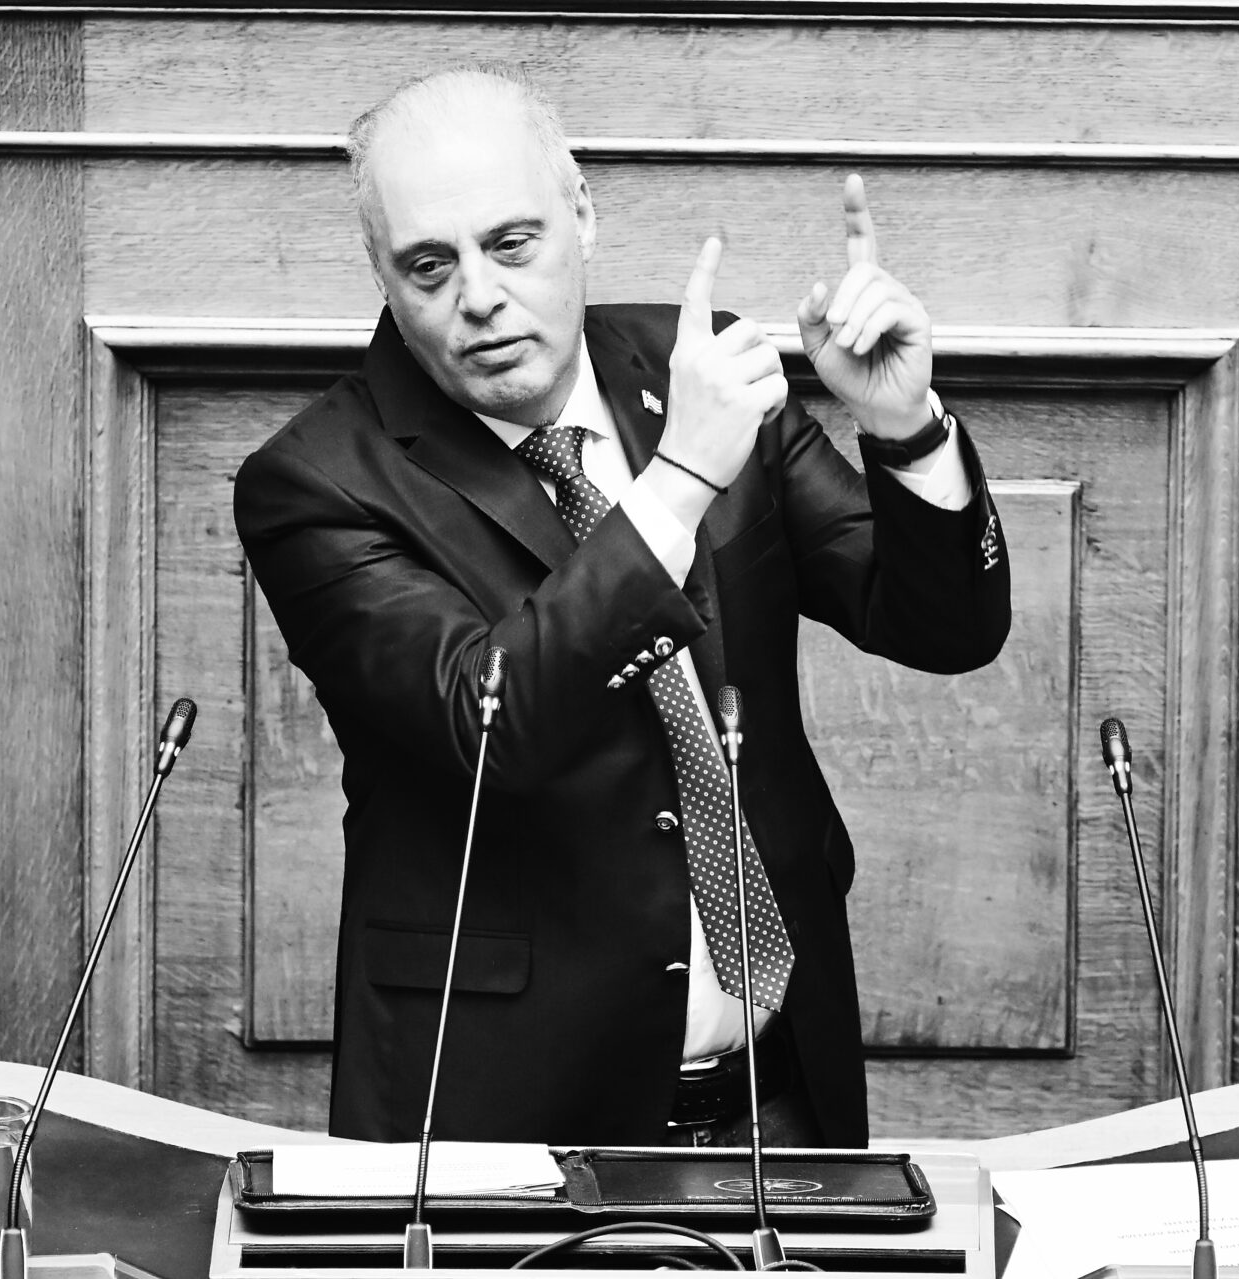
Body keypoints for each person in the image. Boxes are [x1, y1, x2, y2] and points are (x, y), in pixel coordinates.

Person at [233, 64, 1011, 1150]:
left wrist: (906, 428)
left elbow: (945, 627)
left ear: (583, 214)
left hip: (777, 1095)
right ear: (383, 274)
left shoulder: (697, 372)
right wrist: (679, 480)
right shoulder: (316, 482)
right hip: (505, 1117)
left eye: (513, 243)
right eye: (429, 265)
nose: (479, 296)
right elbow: (488, 722)